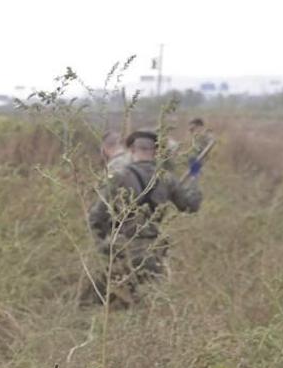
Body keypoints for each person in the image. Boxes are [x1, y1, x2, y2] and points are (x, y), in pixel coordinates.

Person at [85, 131, 202, 307]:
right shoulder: (167, 178)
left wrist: (102, 244)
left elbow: (95, 216)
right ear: (155, 152)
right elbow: (191, 205)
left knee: (95, 305)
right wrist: (194, 176)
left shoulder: (119, 177)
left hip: (119, 251)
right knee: (151, 307)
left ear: (131, 150)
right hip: (153, 253)